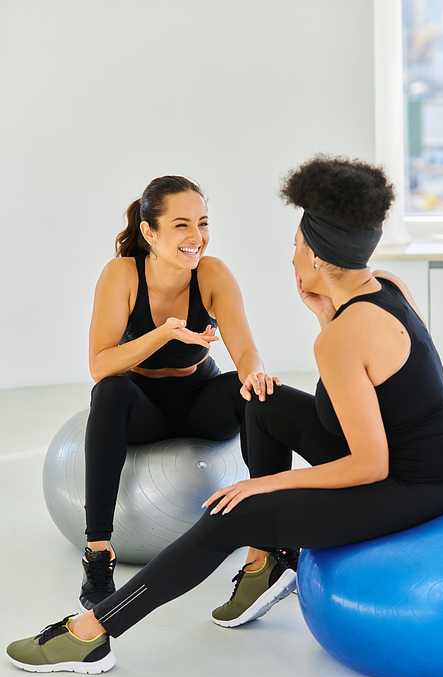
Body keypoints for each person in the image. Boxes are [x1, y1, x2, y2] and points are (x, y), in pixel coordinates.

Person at [6, 156, 443, 674]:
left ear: (318, 258)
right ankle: (267, 561)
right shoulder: (385, 287)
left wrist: (264, 488)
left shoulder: (341, 339)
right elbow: (392, 383)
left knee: (230, 513)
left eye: (296, 248)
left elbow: (371, 467)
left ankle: (90, 634)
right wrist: (326, 315)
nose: (292, 258)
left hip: (418, 486)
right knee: (264, 397)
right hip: (436, 459)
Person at [57, 174, 291, 612]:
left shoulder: (213, 272)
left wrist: (254, 373)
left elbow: (244, 348)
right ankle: (98, 554)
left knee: (261, 394)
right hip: (142, 406)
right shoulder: (122, 274)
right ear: (150, 231)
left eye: (202, 223)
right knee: (108, 393)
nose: (196, 237)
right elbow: (99, 365)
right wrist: (164, 333)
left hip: (200, 398)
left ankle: (269, 550)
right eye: (182, 224)